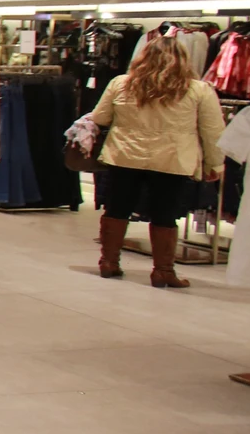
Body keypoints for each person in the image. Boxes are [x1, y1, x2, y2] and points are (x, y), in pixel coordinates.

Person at [87, 35, 224, 287]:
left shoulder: (121, 84)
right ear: (184, 60)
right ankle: (163, 270)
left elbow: (101, 117)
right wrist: (214, 164)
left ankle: (109, 261)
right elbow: (212, 131)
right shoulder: (198, 90)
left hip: (124, 155)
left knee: (117, 209)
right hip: (173, 159)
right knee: (165, 214)